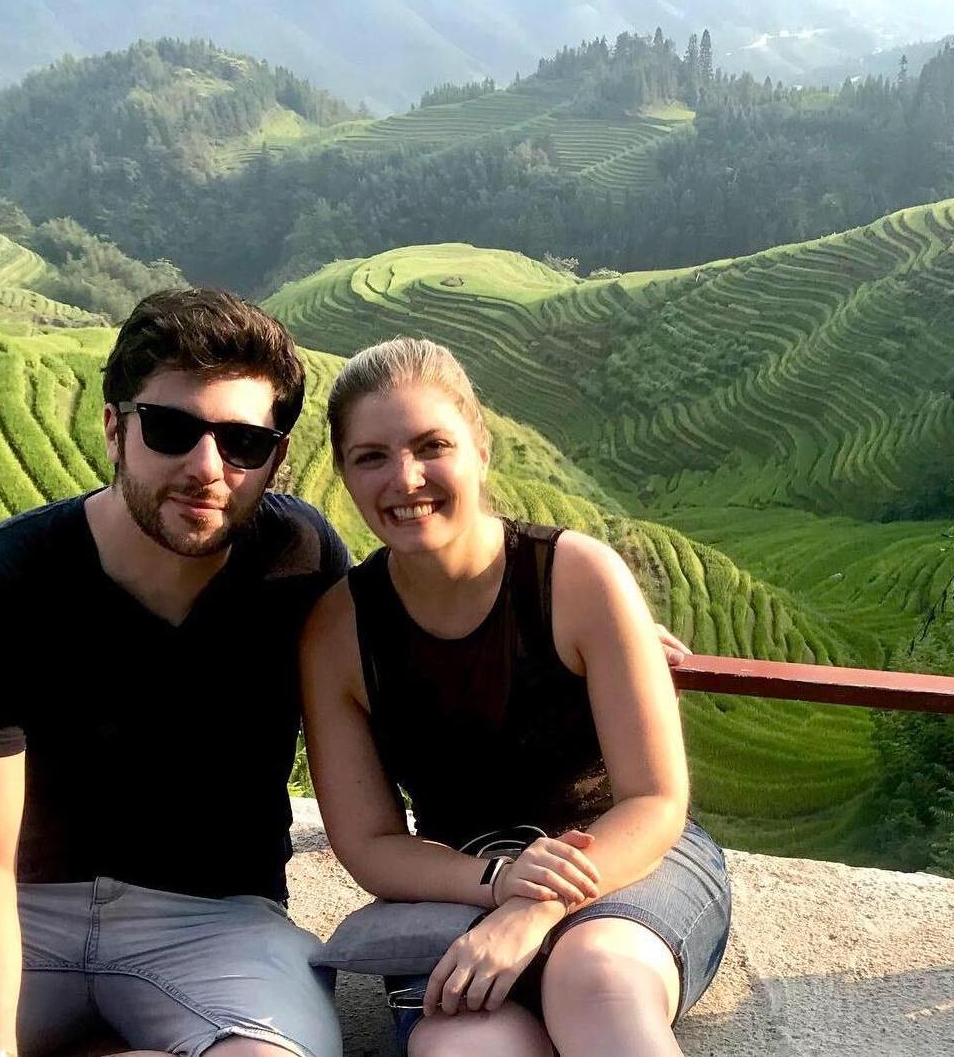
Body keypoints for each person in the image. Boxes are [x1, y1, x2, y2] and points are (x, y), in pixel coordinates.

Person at [0, 289, 351, 1057]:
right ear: (115, 428)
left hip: (216, 923)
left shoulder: (300, 559)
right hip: (22, 904)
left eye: (244, 442)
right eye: (173, 429)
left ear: (275, 457)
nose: (207, 468)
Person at [302, 337, 731, 1057]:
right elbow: (370, 845)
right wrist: (499, 885)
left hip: (625, 863)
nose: (405, 479)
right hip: (461, 879)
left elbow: (655, 800)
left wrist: (534, 908)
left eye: (430, 445)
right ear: (344, 473)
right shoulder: (339, 632)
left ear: (481, 449)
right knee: (464, 1045)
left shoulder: (575, 578)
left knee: (594, 979)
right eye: (370, 457)